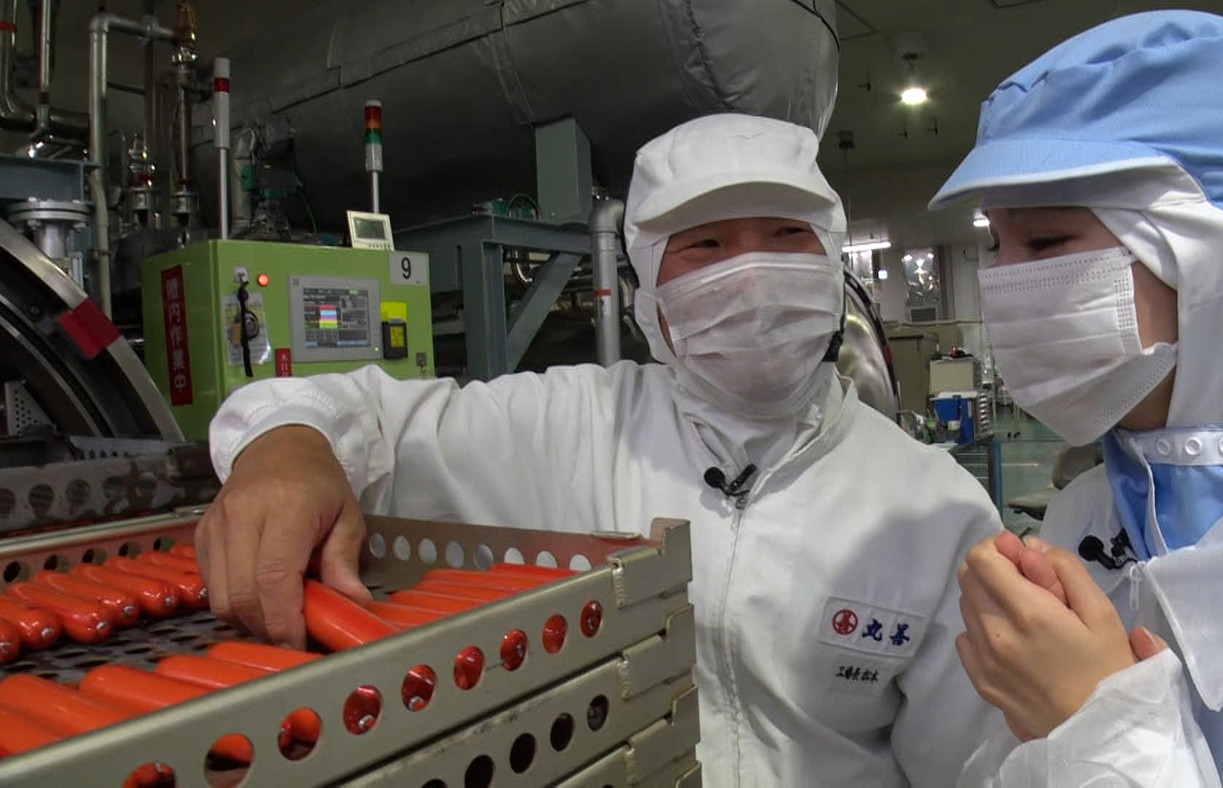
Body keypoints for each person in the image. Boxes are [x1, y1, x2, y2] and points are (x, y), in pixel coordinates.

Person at [198, 113, 1003, 785]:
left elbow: (977, 769)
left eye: (786, 235)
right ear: (651, 296)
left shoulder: (933, 511)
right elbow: (354, 413)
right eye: (706, 246)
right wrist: (287, 447)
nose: (753, 276)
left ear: (832, 268)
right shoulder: (571, 424)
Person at [927, 10, 1223, 786]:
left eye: (1045, 243)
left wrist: (1100, 730)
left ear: (1214, 258)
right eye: (994, 245)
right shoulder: (1092, 512)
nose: (1004, 283)